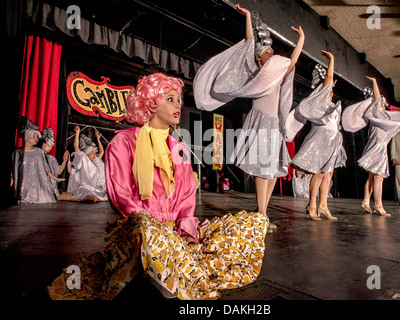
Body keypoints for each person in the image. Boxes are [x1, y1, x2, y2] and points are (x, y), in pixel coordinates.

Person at [48, 73, 269, 300]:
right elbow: (121, 197)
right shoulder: (123, 143)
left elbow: (186, 199)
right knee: (145, 227)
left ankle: (175, 270)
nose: (178, 105)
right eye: (170, 99)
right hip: (139, 231)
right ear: (151, 103)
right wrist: (157, 230)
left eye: (179, 100)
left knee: (254, 222)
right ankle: (171, 275)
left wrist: (185, 231)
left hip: (176, 231)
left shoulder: (179, 149)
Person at [193, 4, 305, 231]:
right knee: (263, 169)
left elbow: (292, 61)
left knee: (273, 170)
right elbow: (249, 43)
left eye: (272, 52)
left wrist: (301, 38)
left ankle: (262, 212)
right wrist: (246, 18)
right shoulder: (257, 72)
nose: (271, 54)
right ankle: (261, 214)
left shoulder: (276, 75)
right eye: (266, 53)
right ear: (259, 59)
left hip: (273, 124)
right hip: (261, 121)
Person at [285, 51, 346, 221]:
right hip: (322, 138)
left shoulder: (332, 104)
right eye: (328, 87)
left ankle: (323, 206)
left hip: (333, 139)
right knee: (319, 174)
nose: (331, 89)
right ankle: (312, 205)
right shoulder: (321, 102)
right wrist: (332, 59)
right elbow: (329, 77)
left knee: (328, 174)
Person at [342, 76, 400, 217]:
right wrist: (374, 82)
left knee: (373, 177)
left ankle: (366, 201)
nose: (383, 105)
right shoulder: (375, 114)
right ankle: (378, 205)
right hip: (377, 147)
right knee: (378, 177)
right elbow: (377, 97)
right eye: (381, 103)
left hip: (379, 146)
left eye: (383, 104)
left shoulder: (384, 117)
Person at [11, 128, 65, 204]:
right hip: (25, 188)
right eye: (34, 137)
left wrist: (55, 178)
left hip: (39, 189)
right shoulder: (18, 153)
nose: (36, 139)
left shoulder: (39, 152)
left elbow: (46, 169)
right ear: (28, 137)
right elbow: (15, 170)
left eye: (37, 137)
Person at [57, 126, 107, 202]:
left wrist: (98, 139)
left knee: (101, 196)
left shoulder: (96, 161)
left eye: (94, 153)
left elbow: (102, 152)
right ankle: (65, 196)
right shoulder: (83, 159)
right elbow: (76, 147)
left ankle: (83, 197)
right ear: (87, 154)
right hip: (84, 186)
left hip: (94, 188)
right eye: (92, 153)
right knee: (93, 198)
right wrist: (77, 133)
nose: (94, 155)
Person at [38, 127, 70, 196]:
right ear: (43, 144)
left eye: (51, 146)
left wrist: (64, 161)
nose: (50, 148)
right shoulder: (37, 157)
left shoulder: (51, 158)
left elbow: (58, 171)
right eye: (48, 145)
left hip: (52, 188)